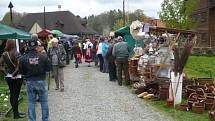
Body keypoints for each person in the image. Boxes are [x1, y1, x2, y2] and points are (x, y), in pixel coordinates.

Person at [19, 35, 50, 121]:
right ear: (37, 46)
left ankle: (32, 120)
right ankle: (45, 119)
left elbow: (21, 72)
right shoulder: (43, 56)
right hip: (41, 80)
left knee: (31, 102)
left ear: (28, 46)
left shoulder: (23, 58)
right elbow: (48, 69)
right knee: (44, 102)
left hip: (30, 81)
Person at [0, 40, 25, 119]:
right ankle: (16, 115)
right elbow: (19, 66)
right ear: (13, 44)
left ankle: (16, 112)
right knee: (15, 95)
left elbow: (0, 65)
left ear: (7, 44)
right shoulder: (16, 53)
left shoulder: (4, 54)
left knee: (12, 94)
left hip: (8, 77)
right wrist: (14, 74)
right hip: (17, 77)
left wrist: (7, 73)